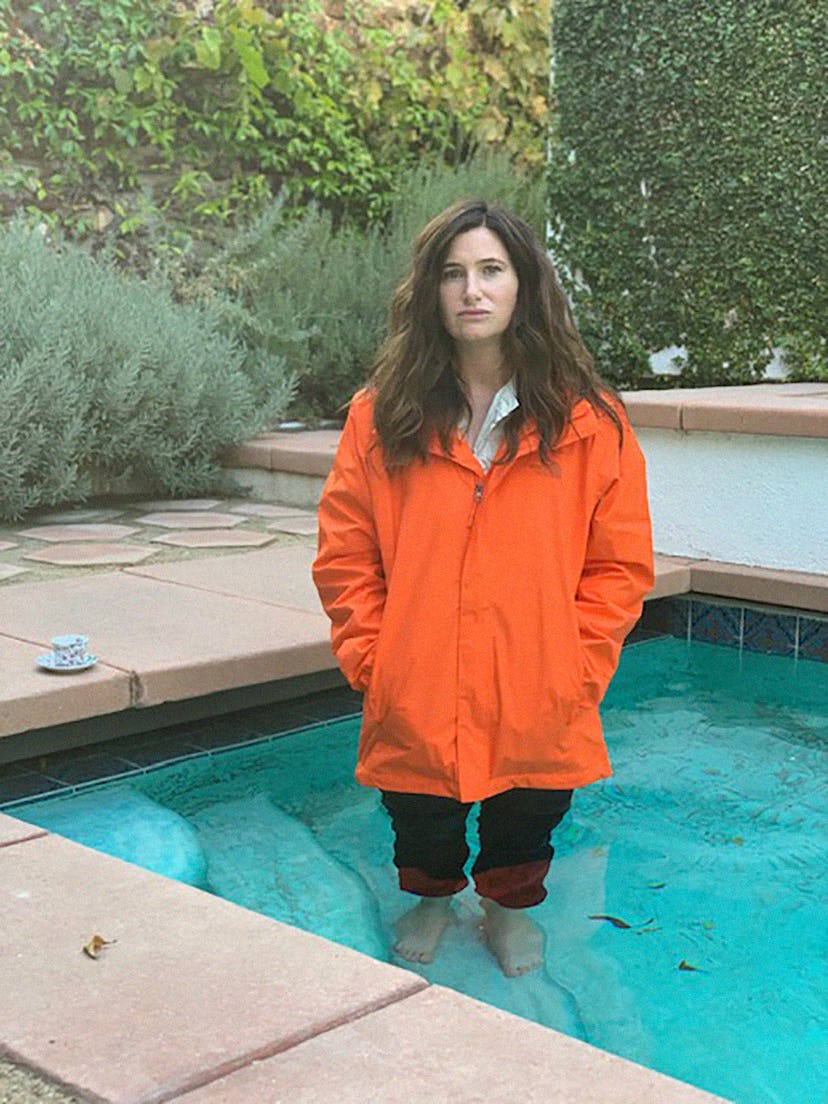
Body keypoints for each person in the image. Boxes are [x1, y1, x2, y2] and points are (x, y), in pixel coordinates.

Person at [312, 200, 653, 977]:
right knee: (420, 810)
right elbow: (344, 553)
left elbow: (619, 565)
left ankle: (506, 907)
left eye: (491, 270)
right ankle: (432, 897)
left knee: (528, 810)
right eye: (453, 272)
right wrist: (376, 661)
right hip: (416, 670)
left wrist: (578, 667)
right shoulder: (380, 418)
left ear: (524, 287)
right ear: (431, 292)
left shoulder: (590, 422)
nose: (472, 288)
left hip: (540, 675)